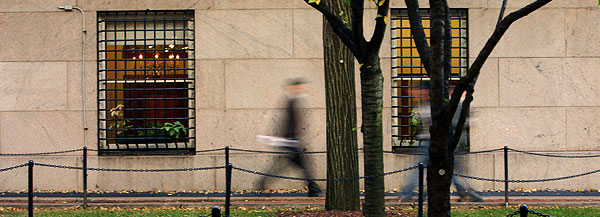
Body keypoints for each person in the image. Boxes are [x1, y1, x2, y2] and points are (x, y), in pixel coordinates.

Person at [257, 78, 324, 197]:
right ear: (294, 88)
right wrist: (288, 137)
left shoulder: (294, 101)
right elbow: (287, 122)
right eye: (300, 86)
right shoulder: (291, 101)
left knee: (288, 166)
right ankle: (314, 189)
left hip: (291, 140)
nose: (303, 89)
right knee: (301, 165)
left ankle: (262, 183)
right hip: (291, 141)